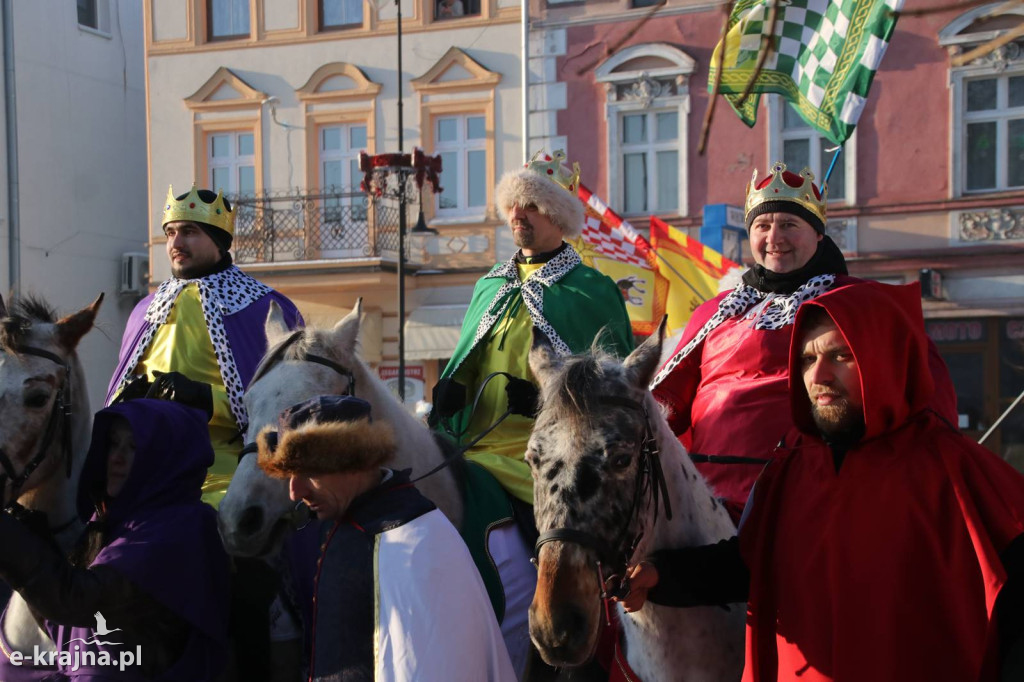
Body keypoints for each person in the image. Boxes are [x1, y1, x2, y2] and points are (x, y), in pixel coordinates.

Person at [622, 281, 1024, 681]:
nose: (819, 375)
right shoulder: (792, 466)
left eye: (841, 355)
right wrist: (663, 575)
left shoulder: (957, 473)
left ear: (884, 357)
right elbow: (753, 563)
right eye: (806, 359)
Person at [650, 161, 957, 522]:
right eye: (762, 226)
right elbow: (665, 402)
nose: (774, 238)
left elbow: (921, 392)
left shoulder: (858, 302)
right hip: (705, 501)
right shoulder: (716, 310)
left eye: (789, 225)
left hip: (810, 494)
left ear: (819, 236)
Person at [429, 150, 633, 675]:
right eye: (513, 206)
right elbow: (469, 359)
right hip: (475, 442)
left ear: (559, 216)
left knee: (557, 540)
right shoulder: (489, 285)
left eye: (533, 206)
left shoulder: (590, 289)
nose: (519, 216)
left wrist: (546, 401)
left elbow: (606, 387)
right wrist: (450, 391)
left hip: (544, 456)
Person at [256, 395, 517, 682]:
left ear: (354, 460)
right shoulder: (354, 524)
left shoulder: (413, 541)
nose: (295, 492)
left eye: (310, 473)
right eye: (290, 474)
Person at [0, 399, 230, 680]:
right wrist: (31, 536)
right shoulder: (116, 518)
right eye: (113, 443)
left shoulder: (181, 526)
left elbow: (78, 602)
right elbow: (64, 627)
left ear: (165, 458)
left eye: (134, 447)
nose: (116, 457)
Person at [105, 184, 303, 507]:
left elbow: (287, 410)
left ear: (218, 240)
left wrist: (204, 398)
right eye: (170, 233)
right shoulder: (144, 310)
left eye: (189, 231)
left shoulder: (266, 308)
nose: (176, 243)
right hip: (145, 471)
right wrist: (127, 400)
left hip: (223, 476)